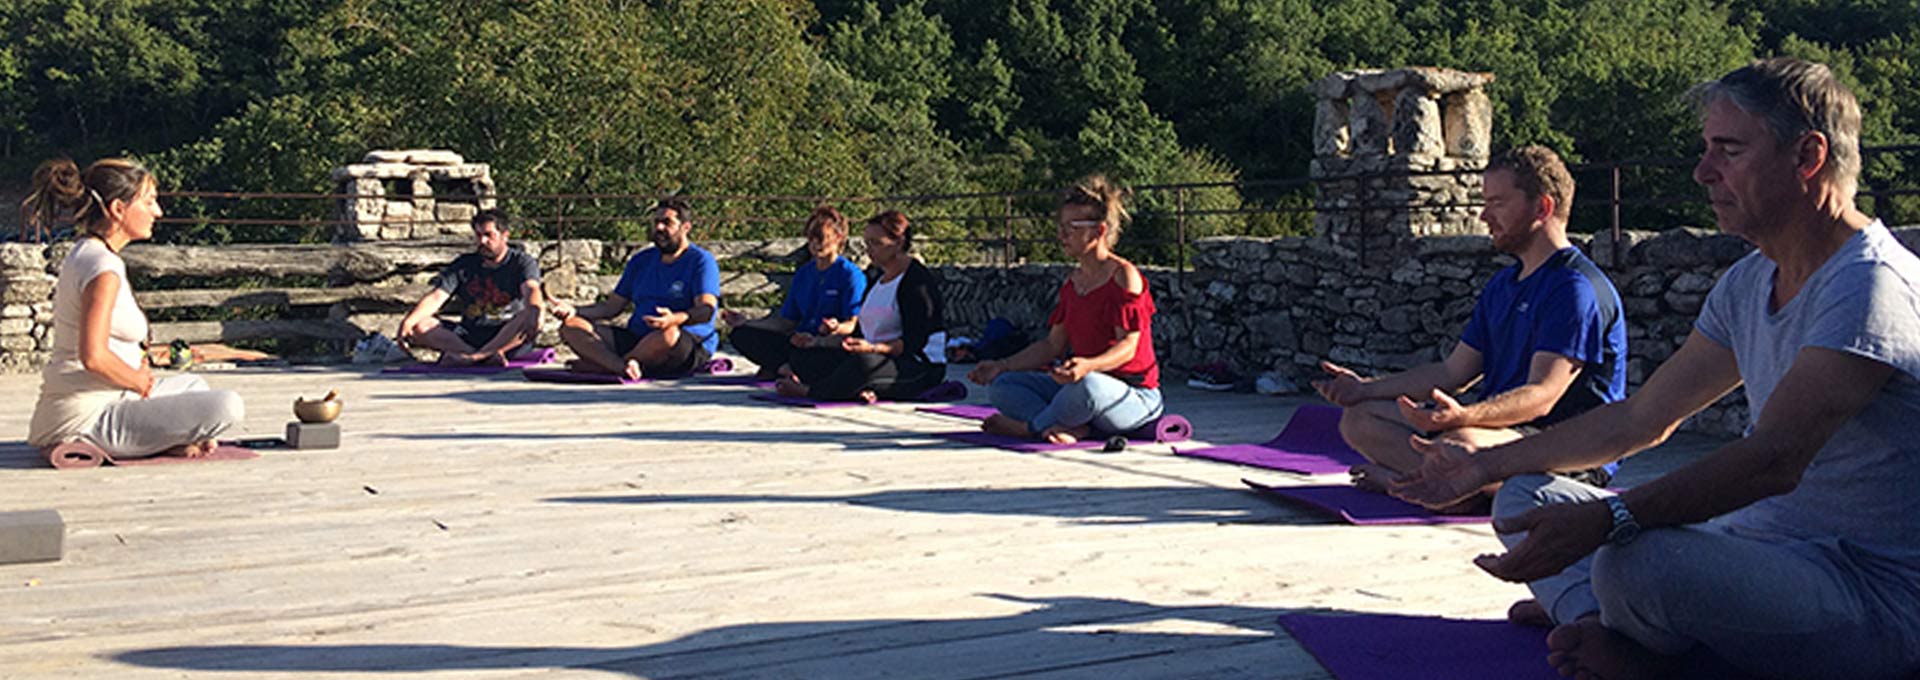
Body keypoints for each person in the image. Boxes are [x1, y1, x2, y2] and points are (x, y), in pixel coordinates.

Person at [1391, 58, 1920, 680]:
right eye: (1705, 150)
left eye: (1728, 151)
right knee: (1521, 494)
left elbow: (1774, 460)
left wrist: (1612, 517)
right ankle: (1606, 627)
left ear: (1807, 156)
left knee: (1633, 563)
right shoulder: (1751, 281)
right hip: (1759, 553)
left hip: (1871, 596)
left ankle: (1630, 634)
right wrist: (1481, 465)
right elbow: (1644, 417)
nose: (1703, 172)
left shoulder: (1870, 287)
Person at [1314, 146, 1625, 505]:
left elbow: (1542, 396)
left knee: (1459, 444)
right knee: (1360, 419)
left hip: (1566, 449)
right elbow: (1453, 372)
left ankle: (1420, 484)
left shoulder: (1574, 289)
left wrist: (1464, 416)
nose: (1483, 215)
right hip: (1500, 434)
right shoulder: (1502, 285)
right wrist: (1364, 389)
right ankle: (1449, 485)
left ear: (1543, 208)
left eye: (1498, 203)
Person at [25, 158, 245, 459]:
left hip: (116, 397)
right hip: (88, 416)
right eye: (150, 201)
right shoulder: (103, 269)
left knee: (195, 384)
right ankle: (152, 440)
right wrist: (137, 379)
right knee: (228, 405)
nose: (158, 212)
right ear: (118, 209)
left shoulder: (89, 252)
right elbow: (94, 356)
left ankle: (170, 438)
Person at [967, 176, 1162, 445]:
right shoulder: (1074, 282)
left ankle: (1031, 427)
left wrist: (1089, 366)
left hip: (1131, 395)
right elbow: (1052, 345)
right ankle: (1069, 426)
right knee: (1004, 386)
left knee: (1088, 387)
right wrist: (1001, 365)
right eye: (1060, 226)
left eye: (1072, 227)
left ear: (1099, 231)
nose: (1062, 235)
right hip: (1079, 387)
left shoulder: (1124, 276)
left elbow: (1128, 346)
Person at [776, 210, 945, 402]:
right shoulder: (874, 276)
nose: (869, 250)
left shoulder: (916, 282)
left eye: (876, 243)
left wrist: (873, 349)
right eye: (867, 244)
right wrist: (818, 342)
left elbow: (914, 343)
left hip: (914, 365)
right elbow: (859, 331)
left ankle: (810, 391)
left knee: (864, 365)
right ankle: (859, 388)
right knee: (806, 358)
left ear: (898, 243)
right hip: (873, 354)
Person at [551, 197, 720, 380]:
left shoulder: (701, 261)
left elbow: (706, 311)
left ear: (685, 227)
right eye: (656, 222)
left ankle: (606, 364)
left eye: (667, 223)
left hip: (682, 341)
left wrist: (674, 319)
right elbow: (611, 308)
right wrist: (574, 311)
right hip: (637, 337)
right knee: (571, 327)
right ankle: (622, 367)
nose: (659, 228)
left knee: (667, 336)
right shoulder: (641, 261)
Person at [725, 205, 866, 379]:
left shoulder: (850, 275)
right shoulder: (804, 273)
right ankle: (785, 368)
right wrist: (747, 322)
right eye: (811, 238)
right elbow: (786, 321)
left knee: (821, 356)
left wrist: (834, 328)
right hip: (799, 340)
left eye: (821, 238)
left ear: (838, 238)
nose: (815, 244)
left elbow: (852, 325)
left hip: (827, 343)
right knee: (742, 335)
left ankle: (783, 367)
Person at [396, 209, 545, 366]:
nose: (482, 241)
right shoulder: (464, 264)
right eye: (478, 235)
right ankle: (481, 356)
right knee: (420, 325)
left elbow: (531, 289)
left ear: (505, 235)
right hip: (470, 334)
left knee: (533, 314)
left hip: (507, 335)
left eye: (489, 235)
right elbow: (437, 296)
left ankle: (476, 358)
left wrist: (534, 310)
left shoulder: (522, 262)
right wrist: (408, 322)